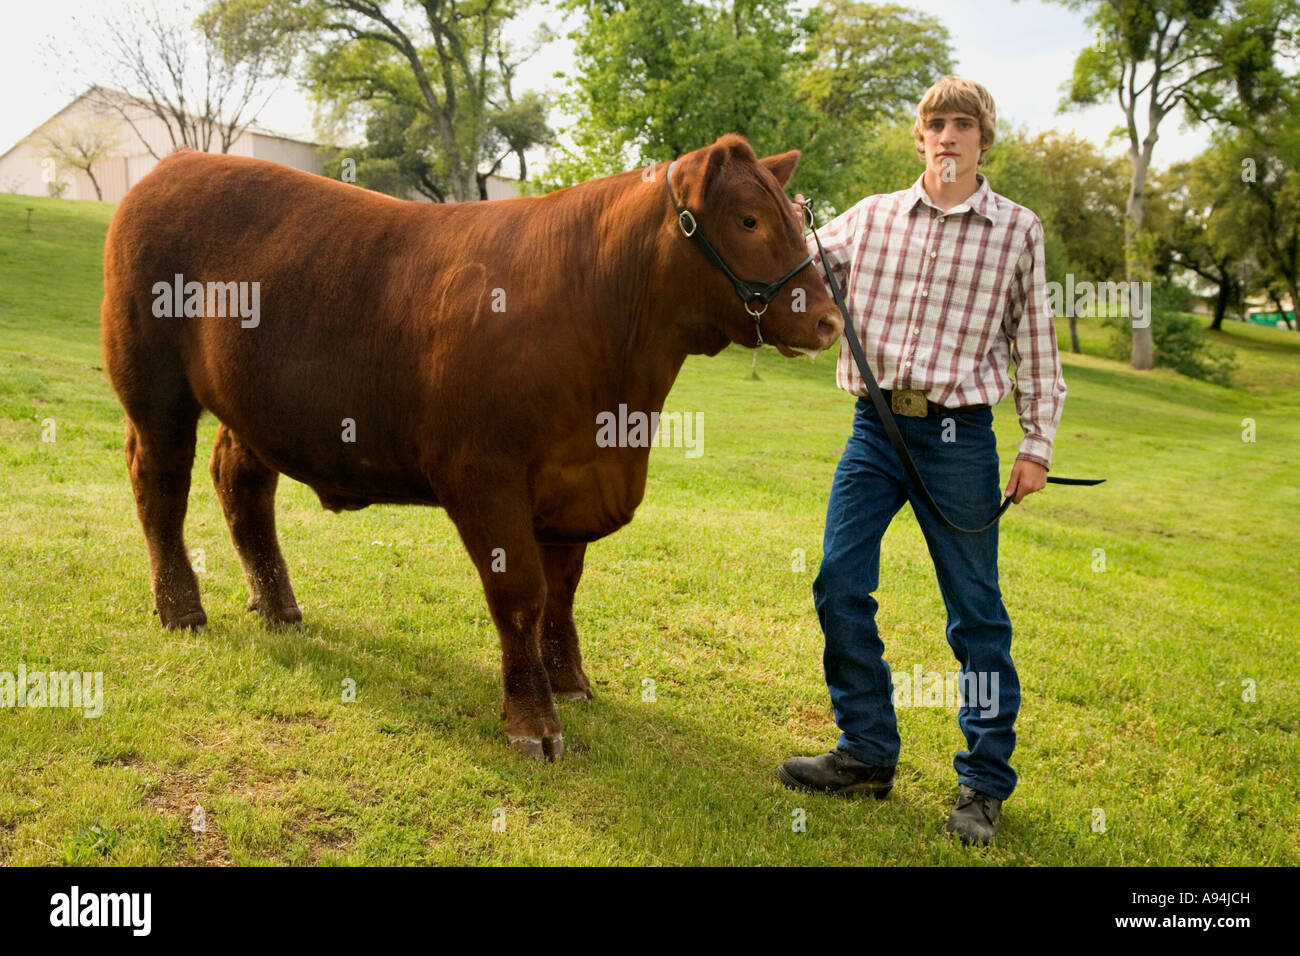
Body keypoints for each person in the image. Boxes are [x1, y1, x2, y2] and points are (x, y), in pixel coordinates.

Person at [777, 76, 1067, 846]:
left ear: (983, 139)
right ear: (920, 138)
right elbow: (785, 261)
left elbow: (1034, 343)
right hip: (874, 431)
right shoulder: (869, 218)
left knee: (975, 613)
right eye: (934, 124)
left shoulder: (1017, 230)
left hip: (959, 439)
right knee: (839, 581)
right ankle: (866, 754)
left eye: (961, 124)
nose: (946, 136)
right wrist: (772, 214)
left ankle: (982, 785)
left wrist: (1036, 445)